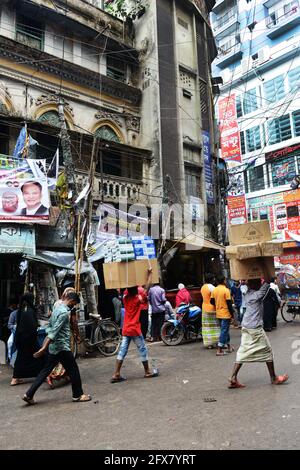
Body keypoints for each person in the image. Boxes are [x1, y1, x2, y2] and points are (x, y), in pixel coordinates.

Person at [22, 291, 91, 405]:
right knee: (74, 370)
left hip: (54, 348)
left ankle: (29, 394)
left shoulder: (56, 309)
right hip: (61, 347)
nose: (73, 306)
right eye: (74, 304)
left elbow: (49, 327)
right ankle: (78, 395)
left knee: (45, 371)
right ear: (72, 301)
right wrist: (44, 348)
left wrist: (46, 345)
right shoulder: (64, 313)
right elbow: (54, 331)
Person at [229, 279, 288, 389]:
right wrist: (268, 277)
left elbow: (248, 285)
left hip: (246, 326)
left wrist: (246, 281)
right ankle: (273, 378)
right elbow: (264, 288)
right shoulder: (256, 295)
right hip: (254, 327)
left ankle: (233, 377)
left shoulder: (247, 293)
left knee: (243, 351)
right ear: (254, 284)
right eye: (258, 283)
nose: (260, 284)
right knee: (267, 350)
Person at [111, 269, 158, 383]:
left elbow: (126, 289)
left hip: (126, 328)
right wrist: (150, 275)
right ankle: (147, 371)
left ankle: (116, 374)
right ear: (136, 290)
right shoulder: (138, 299)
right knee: (142, 349)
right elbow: (146, 289)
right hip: (134, 328)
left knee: (122, 351)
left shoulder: (125, 297)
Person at [46, 287, 79, 389]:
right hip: (64, 335)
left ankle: (63, 375)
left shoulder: (56, 303)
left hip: (55, 337)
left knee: (59, 359)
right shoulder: (69, 307)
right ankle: (54, 375)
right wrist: (77, 333)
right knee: (68, 359)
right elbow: (73, 322)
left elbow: (50, 316)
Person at [11, 293, 45, 386]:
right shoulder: (29, 311)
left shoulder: (22, 310)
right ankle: (43, 375)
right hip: (29, 339)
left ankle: (16, 378)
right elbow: (32, 325)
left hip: (22, 338)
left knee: (22, 357)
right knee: (39, 355)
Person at [210, 275, 235, 356]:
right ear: (224, 281)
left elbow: (212, 301)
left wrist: (218, 304)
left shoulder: (215, 290)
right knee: (224, 331)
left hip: (219, 313)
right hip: (225, 313)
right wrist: (232, 315)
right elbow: (229, 304)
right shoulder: (226, 290)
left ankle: (228, 346)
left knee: (225, 330)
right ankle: (219, 349)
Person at [200, 273, 220, 349]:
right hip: (212, 309)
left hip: (204, 308)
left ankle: (209, 344)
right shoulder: (212, 287)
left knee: (207, 327)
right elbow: (216, 297)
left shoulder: (202, 287)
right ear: (212, 279)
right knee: (215, 326)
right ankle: (215, 341)